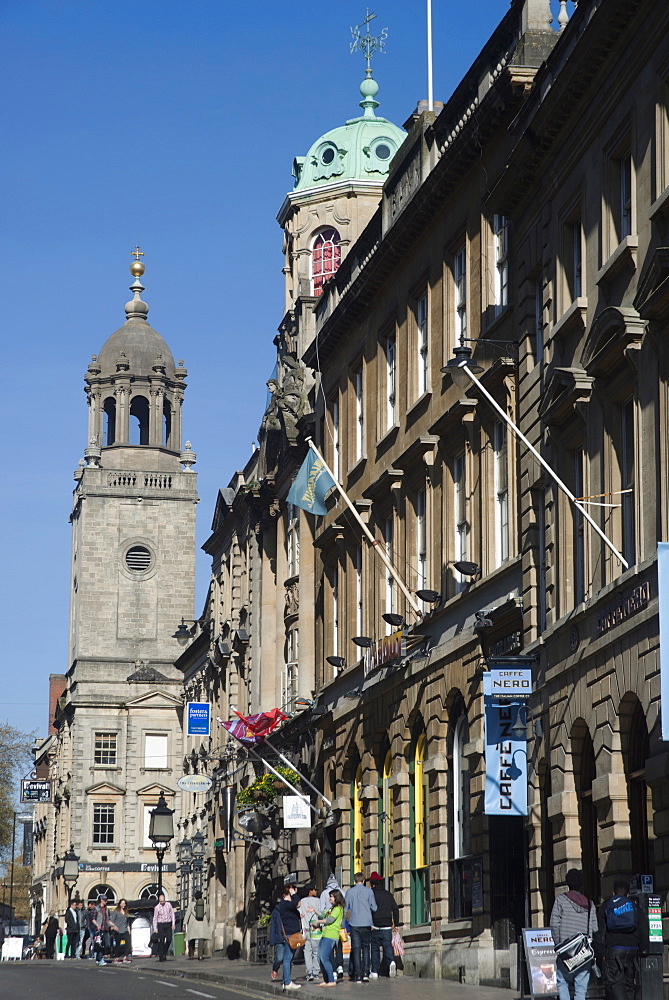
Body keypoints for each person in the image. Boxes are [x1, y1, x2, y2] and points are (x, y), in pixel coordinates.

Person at [595, 879, 648, 1000]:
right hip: (633, 950)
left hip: (614, 950)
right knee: (630, 984)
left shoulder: (607, 906)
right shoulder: (634, 907)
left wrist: (601, 951)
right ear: (628, 894)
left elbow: (599, 931)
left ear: (613, 893)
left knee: (616, 983)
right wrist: (642, 948)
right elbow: (644, 929)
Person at [550, 869, 597, 1000]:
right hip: (583, 952)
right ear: (581, 884)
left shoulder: (560, 900)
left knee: (562, 982)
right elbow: (594, 928)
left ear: (567, 883)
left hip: (565, 951)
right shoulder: (590, 903)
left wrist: (559, 945)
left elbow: (554, 924)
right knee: (581, 988)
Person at [345, 872, 377, 983]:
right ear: (364, 881)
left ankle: (357, 975)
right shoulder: (369, 891)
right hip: (366, 923)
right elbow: (374, 907)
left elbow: (345, 908)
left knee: (356, 949)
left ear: (355, 881)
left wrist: (345, 920)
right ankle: (365, 974)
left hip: (354, 923)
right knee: (366, 948)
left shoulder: (350, 892)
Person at [368, 872, 399, 978]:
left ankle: (375, 971)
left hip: (375, 924)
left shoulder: (371, 894)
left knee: (375, 948)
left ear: (372, 883)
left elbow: (368, 909)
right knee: (387, 946)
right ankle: (391, 962)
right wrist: (396, 924)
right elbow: (395, 908)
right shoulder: (388, 894)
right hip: (387, 924)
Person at [315, 888, 346, 987]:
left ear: (336, 898)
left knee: (324, 957)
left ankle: (331, 980)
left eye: (331, 896)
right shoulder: (332, 908)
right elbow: (323, 915)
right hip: (325, 934)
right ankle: (326, 980)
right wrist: (314, 910)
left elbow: (329, 920)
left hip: (331, 935)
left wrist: (318, 922)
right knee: (319, 957)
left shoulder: (338, 908)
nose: (329, 898)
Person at [277, 876, 302, 991]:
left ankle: (285, 980)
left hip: (292, 933)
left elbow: (295, 909)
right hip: (290, 934)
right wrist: (294, 894)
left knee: (289, 958)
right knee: (288, 958)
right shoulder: (285, 904)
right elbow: (296, 902)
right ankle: (287, 982)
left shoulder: (286, 905)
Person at [320, 874, 344, 980]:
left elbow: (322, 909)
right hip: (340, 924)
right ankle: (340, 966)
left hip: (329, 926)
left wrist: (320, 922)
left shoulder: (324, 893)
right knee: (339, 947)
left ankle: (333, 969)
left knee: (329, 950)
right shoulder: (342, 892)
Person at [185, 890, 211, 960]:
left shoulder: (191, 904)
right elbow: (208, 914)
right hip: (202, 922)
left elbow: (187, 914)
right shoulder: (205, 904)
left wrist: (184, 923)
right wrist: (207, 921)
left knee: (192, 938)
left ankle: (191, 954)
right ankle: (200, 955)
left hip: (193, 923)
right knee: (201, 939)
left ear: (195, 897)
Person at [152, 891, 176, 962]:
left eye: (163, 901)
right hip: (161, 924)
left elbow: (172, 914)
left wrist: (173, 924)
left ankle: (164, 951)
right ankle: (161, 956)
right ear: (159, 901)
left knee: (169, 939)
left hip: (168, 923)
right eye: (161, 901)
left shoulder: (168, 905)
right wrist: (155, 928)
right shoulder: (157, 907)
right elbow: (155, 918)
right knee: (161, 940)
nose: (162, 902)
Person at [93, 895, 112, 965]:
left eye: (106, 900)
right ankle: (100, 959)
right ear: (101, 900)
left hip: (106, 928)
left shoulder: (107, 909)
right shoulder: (97, 909)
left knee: (107, 944)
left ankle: (98, 958)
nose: (106, 901)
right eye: (105, 900)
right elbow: (93, 919)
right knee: (100, 945)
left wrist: (114, 926)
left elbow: (108, 920)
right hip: (100, 929)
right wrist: (97, 925)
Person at [110, 898, 132, 963]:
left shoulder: (126, 912)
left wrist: (128, 929)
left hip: (124, 930)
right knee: (117, 944)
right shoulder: (116, 912)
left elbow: (127, 921)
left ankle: (126, 957)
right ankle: (116, 958)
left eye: (124, 903)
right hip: (118, 930)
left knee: (128, 942)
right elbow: (111, 921)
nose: (124, 905)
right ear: (119, 904)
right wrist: (114, 926)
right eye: (122, 903)